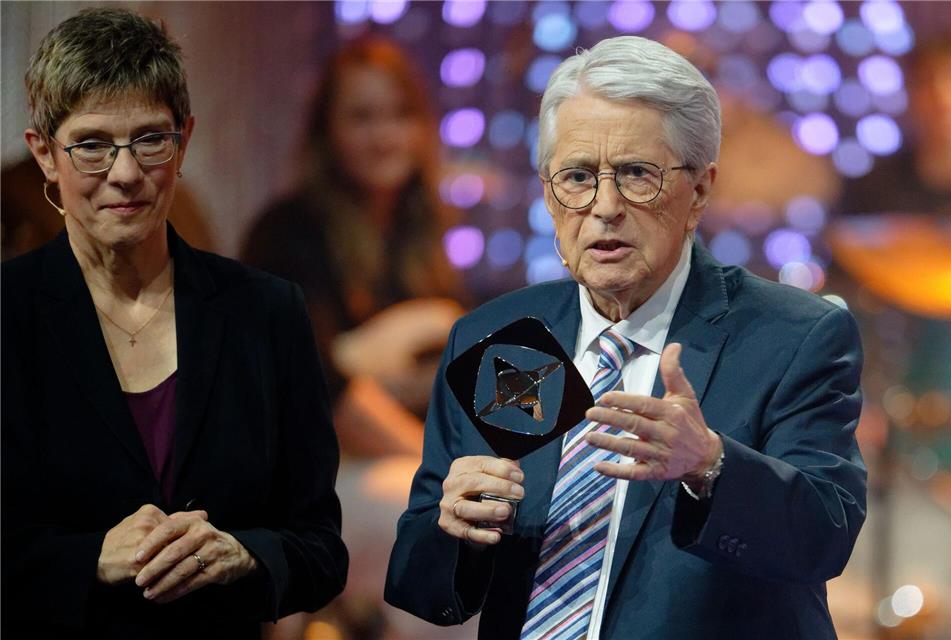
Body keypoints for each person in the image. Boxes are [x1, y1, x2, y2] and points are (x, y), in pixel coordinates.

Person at [385, 36, 867, 640]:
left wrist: (712, 465)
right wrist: (455, 530)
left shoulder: (795, 336)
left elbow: (826, 538)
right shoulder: (496, 338)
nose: (604, 206)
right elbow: (420, 587)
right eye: (578, 177)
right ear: (547, 192)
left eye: (637, 175)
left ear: (699, 192)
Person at [1, 8, 348, 639]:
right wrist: (90, 560)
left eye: (150, 139)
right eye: (92, 144)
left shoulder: (266, 313)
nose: (126, 172)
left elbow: (322, 553)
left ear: (183, 140)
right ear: (45, 154)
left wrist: (243, 555)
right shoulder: (8, 315)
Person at [242, 36, 466, 459]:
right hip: (314, 462)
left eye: (401, 114)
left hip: (395, 452)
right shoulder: (288, 232)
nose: (385, 136)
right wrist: (437, 469)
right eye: (362, 117)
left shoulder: (415, 235)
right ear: (327, 132)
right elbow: (320, 385)